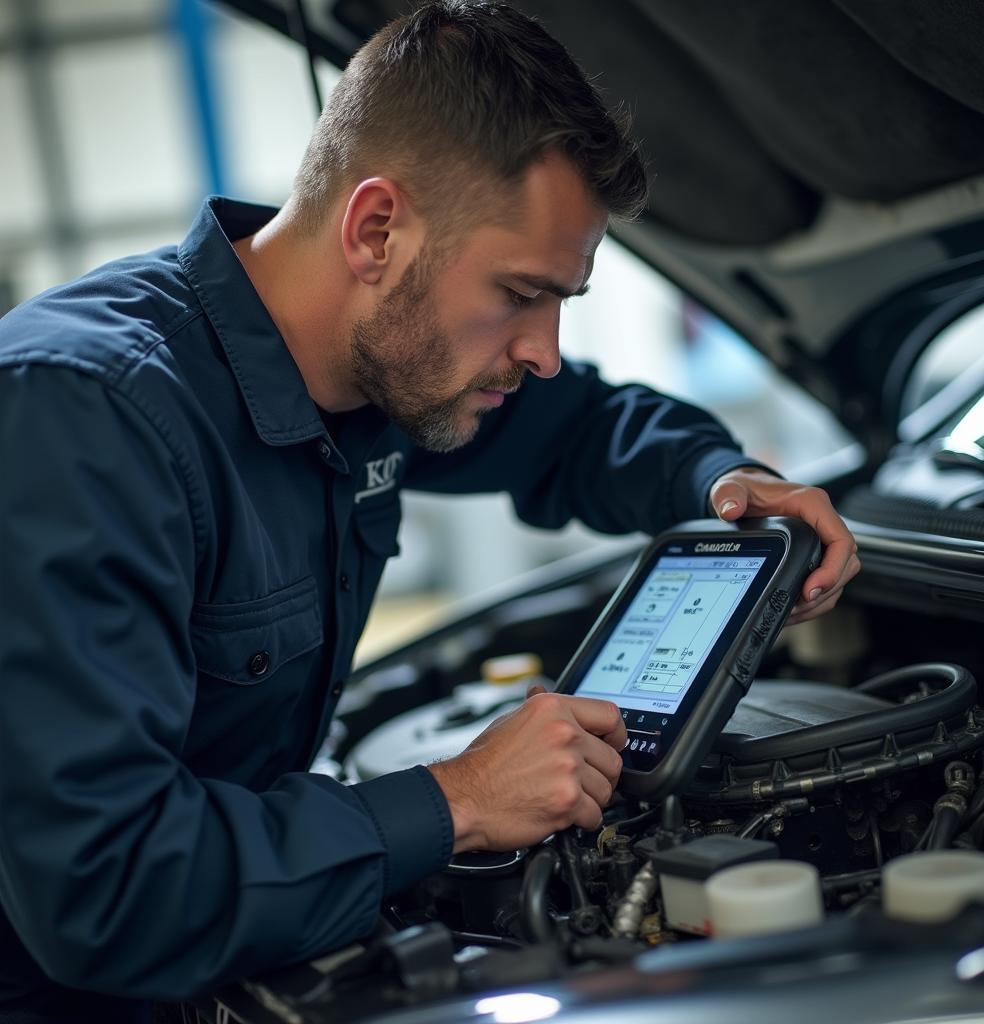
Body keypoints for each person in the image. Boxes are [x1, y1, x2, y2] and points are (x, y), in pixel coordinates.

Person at [0, 2, 859, 1019]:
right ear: (375, 230)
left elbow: (581, 427)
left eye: (563, 305)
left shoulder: (378, 368)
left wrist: (721, 482)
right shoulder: (82, 418)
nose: (540, 348)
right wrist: (455, 800)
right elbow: (105, 892)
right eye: (519, 291)